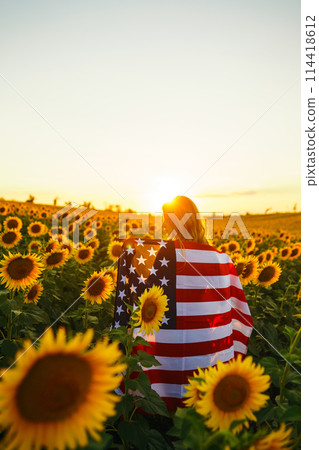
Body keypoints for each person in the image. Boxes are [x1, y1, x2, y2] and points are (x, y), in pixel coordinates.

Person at [113, 196, 253, 411]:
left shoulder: (161, 256)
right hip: (206, 349)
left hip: (164, 354)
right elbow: (235, 312)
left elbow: (143, 305)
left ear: (170, 223)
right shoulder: (221, 260)